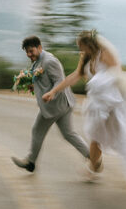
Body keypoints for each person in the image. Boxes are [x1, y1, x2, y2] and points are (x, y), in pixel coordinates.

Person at [43, 30, 126, 187]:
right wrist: (53, 91)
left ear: (89, 44)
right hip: (99, 105)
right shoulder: (86, 59)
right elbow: (74, 76)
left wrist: (98, 82)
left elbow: (116, 73)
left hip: (114, 104)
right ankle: (93, 170)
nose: (80, 50)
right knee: (96, 136)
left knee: (121, 137)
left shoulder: (104, 53)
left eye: (81, 46)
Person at [11, 36, 91, 173]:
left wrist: (52, 93)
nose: (29, 55)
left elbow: (60, 81)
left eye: (31, 51)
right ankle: (92, 156)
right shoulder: (38, 60)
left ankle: (30, 162)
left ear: (40, 47)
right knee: (69, 134)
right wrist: (32, 85)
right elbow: (42, 78)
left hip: (55, 105)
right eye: (27, 52)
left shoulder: (49, 61)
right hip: (63, 104)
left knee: (37, 130)